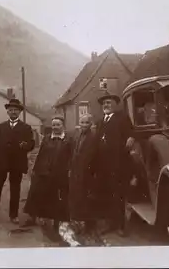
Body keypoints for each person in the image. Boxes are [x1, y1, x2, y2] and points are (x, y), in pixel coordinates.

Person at [0, 98, 35, 224]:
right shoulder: (0, 127)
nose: (13, 112)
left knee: (15, 189)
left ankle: (13, 215)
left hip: (17, 163)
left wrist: (25, 145)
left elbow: (32, 144)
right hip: (1, 162)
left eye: (16, 110)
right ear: (7, 112)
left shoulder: (26, 127)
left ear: (20, 112)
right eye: (11, 110)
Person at [93, 92, 135, 237]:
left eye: (109, 103)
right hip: (102, 166)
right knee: (106, 195)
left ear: (115, 105)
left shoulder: (122, 118)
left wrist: (131, 138)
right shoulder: (100, 122)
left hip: (118, 165)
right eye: (104, 103)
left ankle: (121, 226)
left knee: (119, 195)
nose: (106, 105)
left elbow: (132, 133)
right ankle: (110, 224)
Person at [23, 115, 72, 240]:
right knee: (36, 193)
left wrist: (69, 170)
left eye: (58, 125)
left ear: (63, 126)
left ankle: (57, 223)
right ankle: (32, 217)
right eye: (53, 125)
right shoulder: (46, 139)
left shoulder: (68, 140)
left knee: (58, 198)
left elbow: (71, 157)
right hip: (43, 171)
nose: (55, 127)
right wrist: (35, 170)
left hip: (59, 173)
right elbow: (41, 155)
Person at [67, 114, 99, 239]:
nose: (84, 125)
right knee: (77, 198)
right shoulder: (78, 135)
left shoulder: (93, 137)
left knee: (88, 199)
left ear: (90, 124)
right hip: (77, 171)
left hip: (88, 172)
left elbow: (96, 156)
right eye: (82, 123)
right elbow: (74, 153)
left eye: (86, 123)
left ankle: (90, 226)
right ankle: (79, 224)